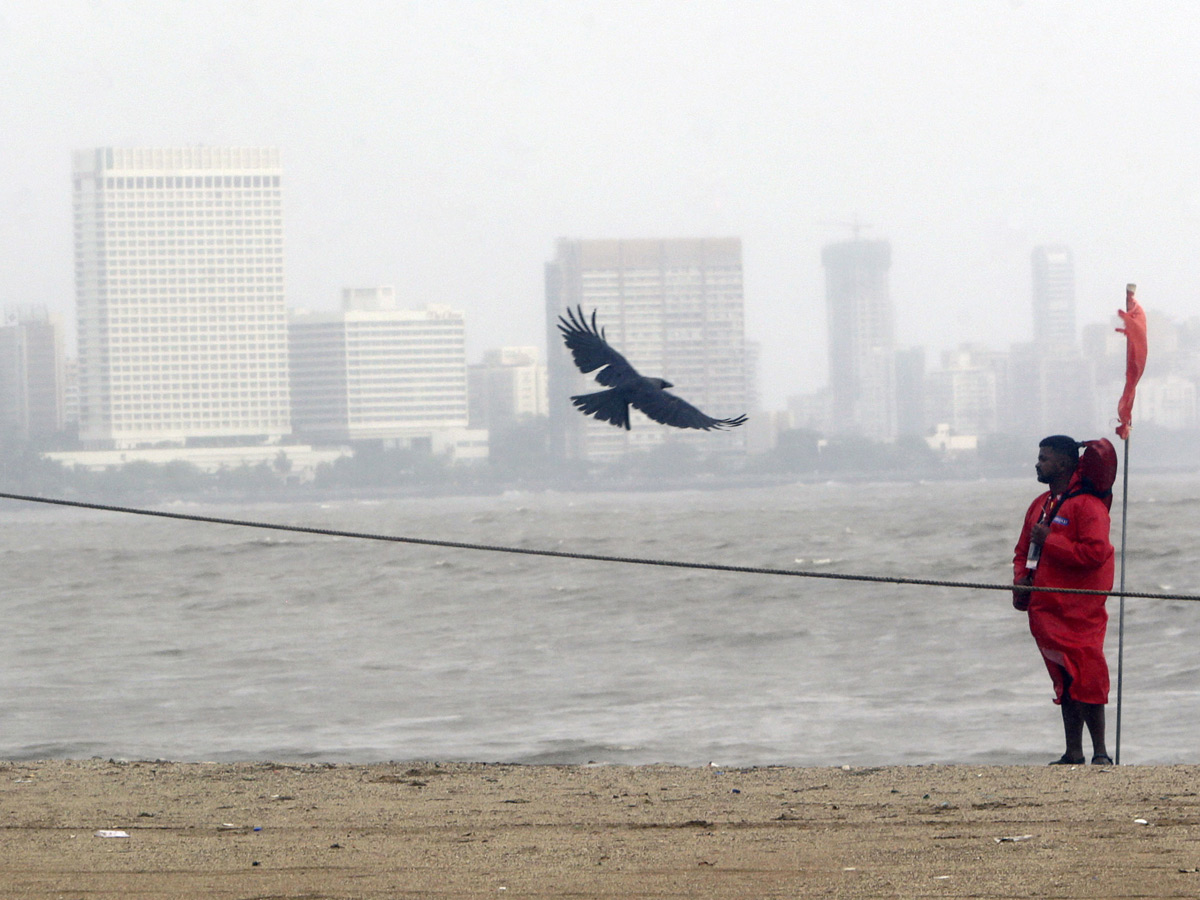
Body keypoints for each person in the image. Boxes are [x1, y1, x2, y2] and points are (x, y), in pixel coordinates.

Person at [1012, 435, 1116, 766]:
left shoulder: (1088, 505)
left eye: (1044, 458)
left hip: (1080, 610)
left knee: (1089, 676)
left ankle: (1100, 752)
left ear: (1064, 463)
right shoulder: (1039, 504)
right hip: (1045, 609)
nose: (1038, 463)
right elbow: (1021, 551)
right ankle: (1074, 752)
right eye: (1039, 457)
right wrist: (1019, 583)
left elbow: (1096, 554)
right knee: (1064, 680)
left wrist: (1052, 541)